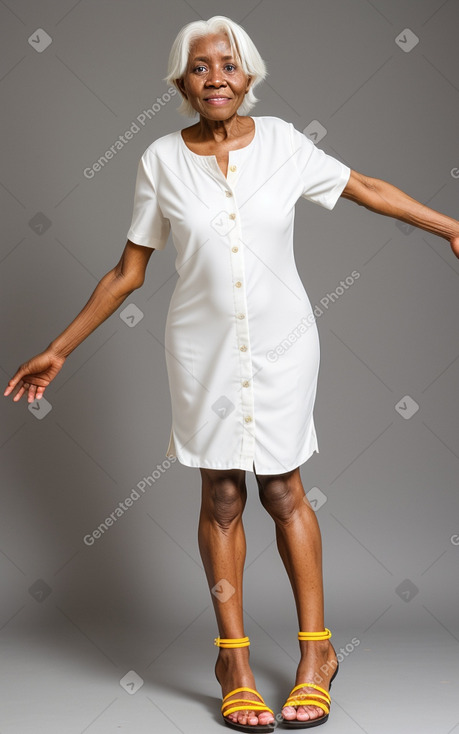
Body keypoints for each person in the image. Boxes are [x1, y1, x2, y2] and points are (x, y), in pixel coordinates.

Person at [4, 14, 459, 733]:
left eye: (227, 64)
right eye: (198, 67)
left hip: (283, 343)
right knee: (219, 493)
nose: (214, 76)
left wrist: (451, 228)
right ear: (180, 82)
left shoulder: (283, 143)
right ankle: (234, 662)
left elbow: (365, 186)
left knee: (283, 488)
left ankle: (317, 657)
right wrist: (61, 346)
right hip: (199, 347)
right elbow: (129, 270)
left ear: (248, 76)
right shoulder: (158, 159)